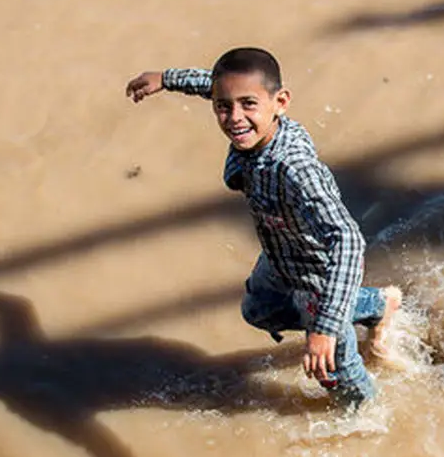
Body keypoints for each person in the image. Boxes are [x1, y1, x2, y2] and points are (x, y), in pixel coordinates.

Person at [125, 47, 400, 408]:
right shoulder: (250, 115)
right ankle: (378, 304)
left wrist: (324, 329)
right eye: (223, 106)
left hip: (318, 278)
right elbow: (214, 84)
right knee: (258, 311)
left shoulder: (295, 168)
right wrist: (166, 79)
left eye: (248, 105)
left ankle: (369, 425)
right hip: (278, 253)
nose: (234, 118)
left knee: (337, 374)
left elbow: (347, 241)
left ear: (280, 102)